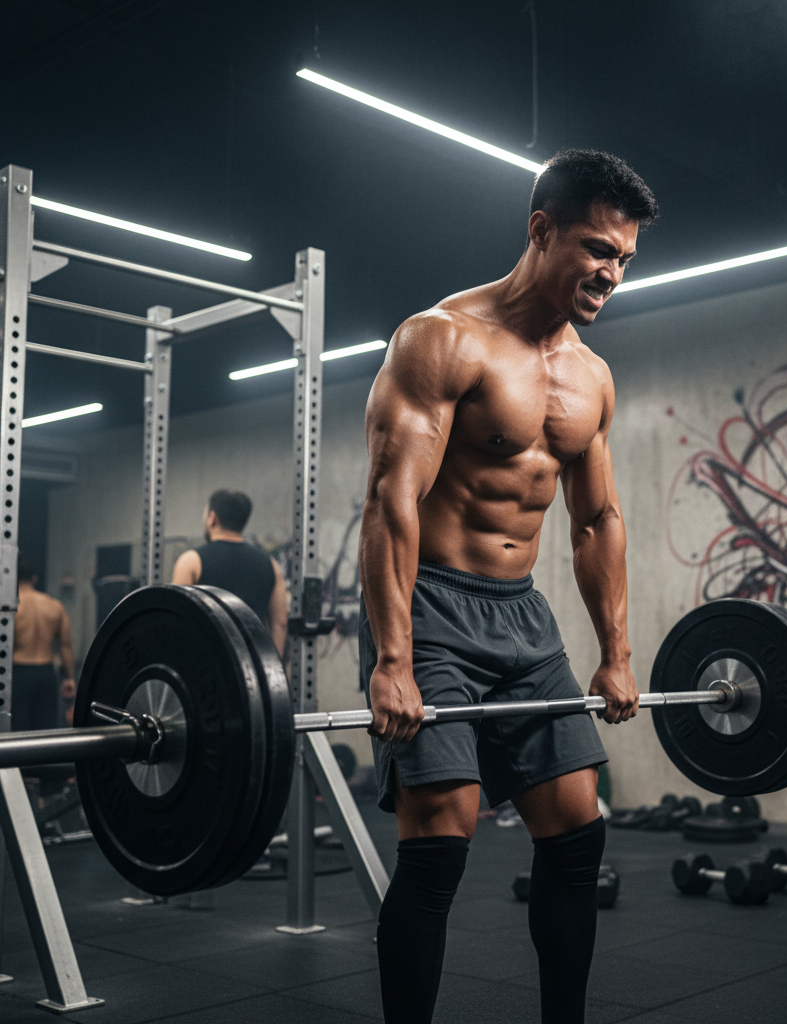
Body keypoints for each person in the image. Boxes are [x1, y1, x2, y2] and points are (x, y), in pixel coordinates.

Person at [359, 149, 658, 1024]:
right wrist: (392, 659)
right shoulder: (442, 339)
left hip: (522, 620)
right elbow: (391, 500)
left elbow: (597, 521)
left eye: (625, 260)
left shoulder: (590, 377)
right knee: (440, 843)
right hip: (432, 607)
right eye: (598, 249)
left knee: (578, 835)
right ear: (542, 230)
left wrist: (615, 655)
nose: (612, 272)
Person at [171, 489, 288, 656]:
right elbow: (280, 623)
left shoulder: (191, 561)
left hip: (206, 668)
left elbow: (176, 620)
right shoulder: (271, 565)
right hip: (253, 667)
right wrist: (272, 673)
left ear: (212, 518)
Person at [13, 556, 76, 731]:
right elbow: (65, 645)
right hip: (46, 673)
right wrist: (69, 678)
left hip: (17, 673)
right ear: (34, 578)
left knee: (17, 730)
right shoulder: (54, 605)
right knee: (44, 731)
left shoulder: (9, 608)